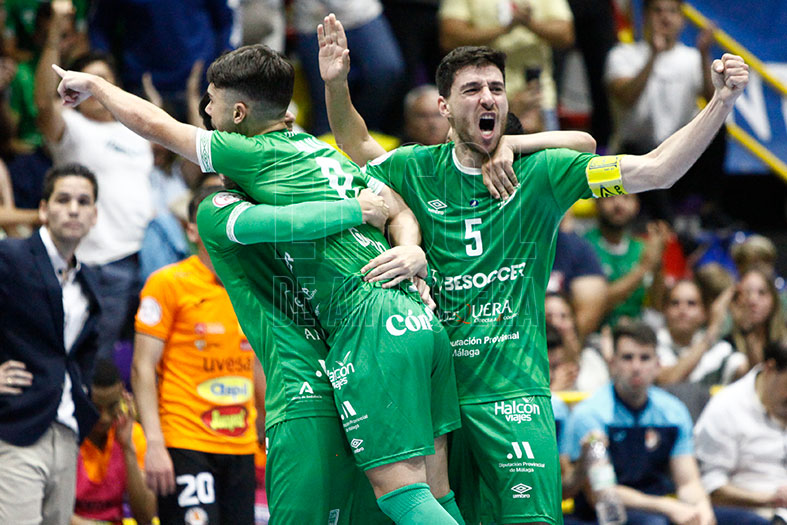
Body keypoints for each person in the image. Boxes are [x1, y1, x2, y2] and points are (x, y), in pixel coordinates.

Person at [317, 12, 748, 524]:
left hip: (515, 401)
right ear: (444, 106)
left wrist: (721, 102)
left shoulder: (542, 173)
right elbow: (356, 144)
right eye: (472, 89)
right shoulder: (417, 167)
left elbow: (658, 169)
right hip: (438, 403)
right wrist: (336, 84)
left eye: (496, 88)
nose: (488, 98)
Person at [54, 42, 464, 525]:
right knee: (436, 493)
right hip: (413, 321)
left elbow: (159, 127)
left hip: (355, 341)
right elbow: (391, 208)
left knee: (403, 496)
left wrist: (97, 85)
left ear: (239, 115)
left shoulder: (245, 164)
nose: (207, 116)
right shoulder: (322, 154)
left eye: (212, 104)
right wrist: (404, 243)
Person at [131, 190, 266, 525]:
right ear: (192, 230)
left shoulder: (251, 287)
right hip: (185, 442)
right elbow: (142, 367)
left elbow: (257, 364)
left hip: (241, 446)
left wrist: (266, 428)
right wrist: (155, 444)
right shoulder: (168, 283)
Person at [35, 0, 154, 358]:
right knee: (96, 361)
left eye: (103, 82)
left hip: (149, 257)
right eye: (88, 84)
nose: (96, 91)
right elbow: (44, 104)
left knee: (145, 359)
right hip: (101, 261)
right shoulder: (71, 126)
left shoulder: (137, 131)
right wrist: (55, 34)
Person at [563, 322, 763, 525]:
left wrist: (702, 509)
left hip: (660, 508)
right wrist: (668, 507)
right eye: (627, 358)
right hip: (603, 514)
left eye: (645, 358)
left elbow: (688, 483)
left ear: (658, 364)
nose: (636, 367)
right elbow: (602, 493)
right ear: (612, 363)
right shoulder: (591, 414)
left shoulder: (673, 412)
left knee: (751, 521)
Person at [0, 163, 101, 525]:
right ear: (43, 209)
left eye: (83, 201)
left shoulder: (88, 280)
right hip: (15, 429)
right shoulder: (10, 257)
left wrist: (82, 392)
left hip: (66, 430)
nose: (73, 209)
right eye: (63, 200)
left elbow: (80, 351)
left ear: (94, 215)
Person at [438, 0, 575, 130]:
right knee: (486, 147)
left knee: (546, 147)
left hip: (538, 97)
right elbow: (450, 37)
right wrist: (506, 28)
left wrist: (529, 23)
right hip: (483, 98)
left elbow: (566, 35)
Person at [694, 339, 787, 522]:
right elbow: (710, 485)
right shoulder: (727, 407)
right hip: (751, 511)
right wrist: (769, 499)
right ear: (770, 369)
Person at [73, 358, 156, 525]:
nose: (104, 418)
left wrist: (128, 448)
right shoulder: (67, 436)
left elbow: (145, 516)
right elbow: (50, 510)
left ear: (123, 398)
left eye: (112, 407)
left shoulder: (133, 435)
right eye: (95, 408)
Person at [584, 194, 670, 327]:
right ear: (596, 203)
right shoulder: (584, 246)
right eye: (609, 196)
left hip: (636, 331)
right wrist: (644, 267)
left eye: (626, 197)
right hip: (595, 332)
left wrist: (657, 261)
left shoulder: (641, 248)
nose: (618, 204)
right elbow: (593, 305)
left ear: (637, 205)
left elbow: (657, 306)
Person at [656, 279, 744, 386]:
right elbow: (669, 380)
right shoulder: (652, 343)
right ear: (664, 310)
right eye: (675, 303)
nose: (682, 309)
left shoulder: (720, 349)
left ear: (704, 312)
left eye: (691, 303)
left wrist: (746, 328)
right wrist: (713, 328)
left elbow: (749, 371)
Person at [727, 268, 787, 370]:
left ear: (774, 299)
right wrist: (746, 329)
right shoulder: (728, 346)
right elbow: (755, 371)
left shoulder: (784, 340)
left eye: (762, 293)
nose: (753, 300)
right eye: (747, 293)